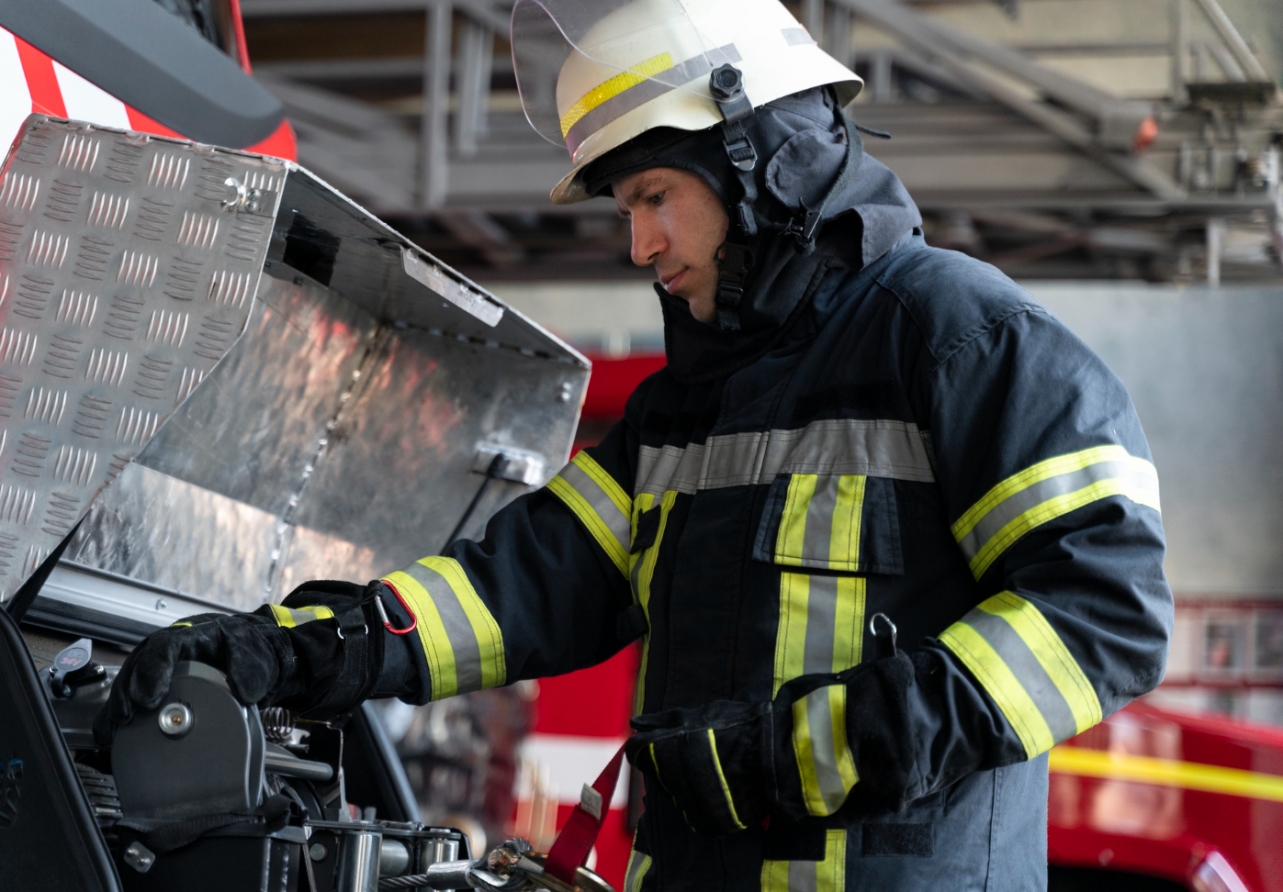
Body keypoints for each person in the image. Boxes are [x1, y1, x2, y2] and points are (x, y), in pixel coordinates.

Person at [97, 1, 1173, 888]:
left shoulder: (962, 340)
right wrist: (294, 649)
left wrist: (814, 749)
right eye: (625, 206)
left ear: (760, 158)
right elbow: (516, 586)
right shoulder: (685, 410)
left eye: (654, 195)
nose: (638, 242)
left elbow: (1103, 610)